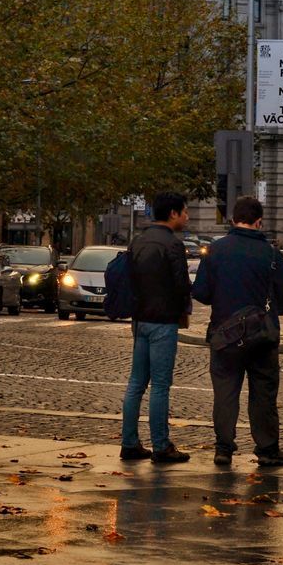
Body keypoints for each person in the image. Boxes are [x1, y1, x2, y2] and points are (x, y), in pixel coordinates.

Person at [192, 195, 283, 469]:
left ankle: (224, 448)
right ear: (259, 221)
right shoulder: (271, 254)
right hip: (262, 336)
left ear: (233, 220)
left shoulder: (216, 250)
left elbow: (201, 293)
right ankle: (267, 449)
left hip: (224, 334)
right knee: (263, 393)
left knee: (225, 392)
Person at [119, 192, 192, 465]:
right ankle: (161, 446)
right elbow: (181, 285)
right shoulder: (172, 245)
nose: (187, 217)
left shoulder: (138, 241)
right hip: (163, 321)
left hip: (139, 320)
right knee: (160, 385)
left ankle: (129, 443)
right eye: (185, 212)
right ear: (173, 213)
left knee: (136, 383)